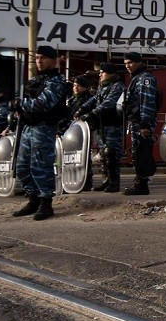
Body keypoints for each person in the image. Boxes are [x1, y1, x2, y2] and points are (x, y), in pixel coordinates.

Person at [10, 46, 69, 220]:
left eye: (43, 58)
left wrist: (20, 103)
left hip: (43, 127)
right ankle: (32, 199)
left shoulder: (57, 81)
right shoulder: (37, 80)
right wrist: (18, 110)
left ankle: (45, 202)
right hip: (28, 126)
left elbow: (43, 104)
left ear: (53, 60)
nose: (39, 61)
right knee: (22, 166)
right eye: (37, 58)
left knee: (40, 166)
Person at [79, 63, 125, 192]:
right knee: (104, 155)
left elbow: (108, 103)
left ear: (110, 73)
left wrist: (90, 114)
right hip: (102, 125)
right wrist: (82, 109)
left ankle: (114, 183)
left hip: (113, 125)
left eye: (102, 72)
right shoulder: (103, 86)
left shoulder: (117, 86)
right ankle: (106, 181)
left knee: (111, 154)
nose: (100, 74)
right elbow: (95, 99)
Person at [122, 51, 160, 196]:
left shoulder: (145, 79)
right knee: (137, 152)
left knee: (142, 153)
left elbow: (147, 102)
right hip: (137, 122)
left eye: (130, 63)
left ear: (139, 62)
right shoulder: (136, 78)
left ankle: (142, 184)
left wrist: (145, 124)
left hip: (142, 123)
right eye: (125, 64)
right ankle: (139, 182)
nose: (127, 66)